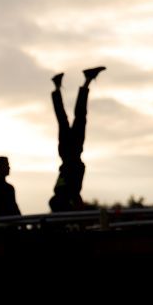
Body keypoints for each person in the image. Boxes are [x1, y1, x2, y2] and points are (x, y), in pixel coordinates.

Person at [48, 67, 105, 212]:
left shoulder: (64, 190)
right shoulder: (62, 188)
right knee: (68, 119)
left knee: (75, 118)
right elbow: (72, 192)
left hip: (71, 152)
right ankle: (80, 82)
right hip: (68, 152)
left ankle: (85, 81)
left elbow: (72, 192)